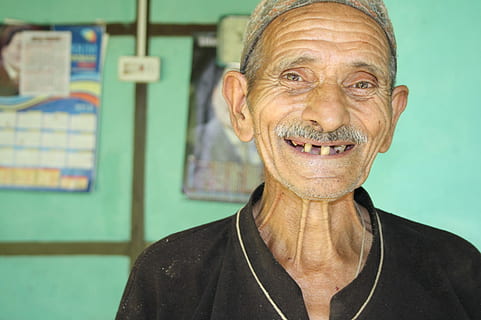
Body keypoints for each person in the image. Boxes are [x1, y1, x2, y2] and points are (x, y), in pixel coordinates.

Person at [116, 0, 481, 319]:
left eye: (362, 84)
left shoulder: (454, 269)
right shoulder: (172, 276)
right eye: (295, 77)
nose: (330, 115)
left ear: (391, 117)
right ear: (241, 106)